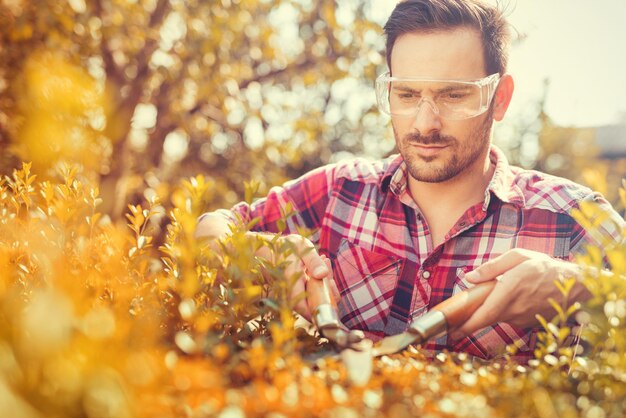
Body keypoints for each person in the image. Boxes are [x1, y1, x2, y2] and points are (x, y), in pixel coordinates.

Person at [196, 0, 625, 360]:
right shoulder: (339, 191)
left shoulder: (574, 219)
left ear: (500, 99)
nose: (425, 123)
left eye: (453, 94)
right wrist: (256, 252)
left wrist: (580, 287)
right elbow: (206, 231)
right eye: (406, 95)